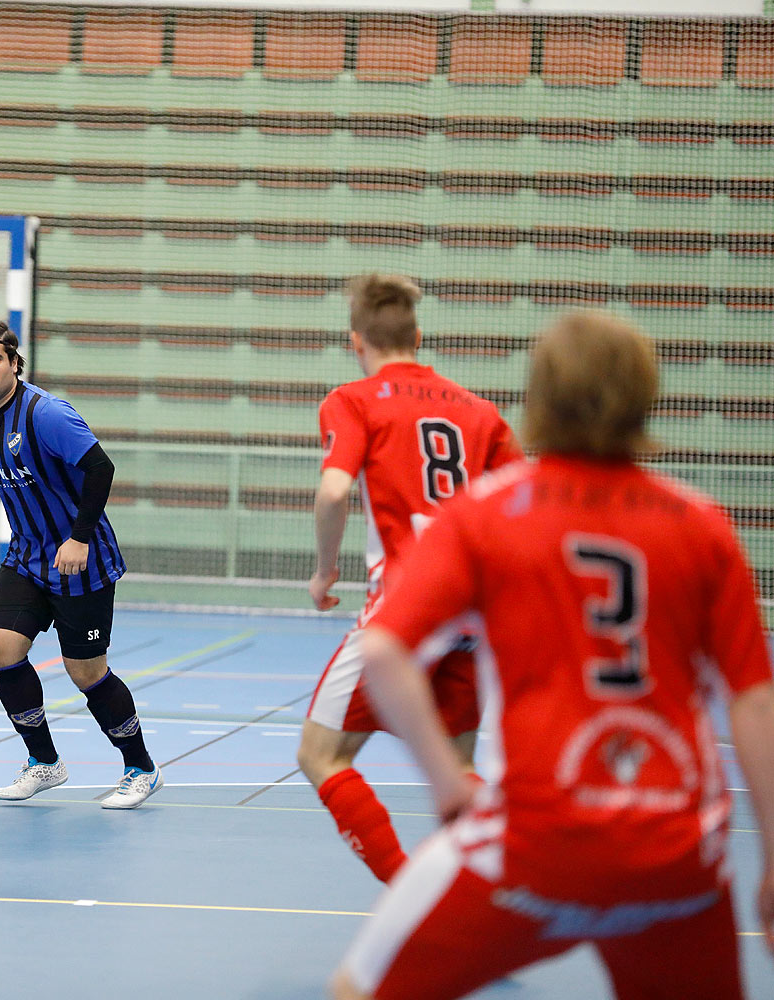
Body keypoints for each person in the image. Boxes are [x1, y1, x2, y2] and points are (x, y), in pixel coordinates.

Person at [330, 311, 774, 1000]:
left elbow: (386, 652)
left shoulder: (487, 514)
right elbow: (754, 699)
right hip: (676, 856)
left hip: (534, 846)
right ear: (645, 397)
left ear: (538, 399)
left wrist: (448, 782)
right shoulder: (701, 524)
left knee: (357, 989)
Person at [299, 274, 522, 883]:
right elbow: (527, 504)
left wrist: (324, 571)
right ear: (418, 337)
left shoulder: (354, 399)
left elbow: (336, 488)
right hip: (475, 612)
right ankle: (491, 895)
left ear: (356, 341)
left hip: (409, 604)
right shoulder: (481, 413)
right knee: (458, 767)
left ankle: (405, 889)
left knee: (319, 754)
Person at [0, 319, 161, 809]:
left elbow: (101, 468)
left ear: (14, 363)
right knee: (0, 651)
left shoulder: (47, 414)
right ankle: (45, 762)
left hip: (83, 558)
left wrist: (78, 539)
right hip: (28, 556)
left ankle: (140, 766)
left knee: (86, 672)